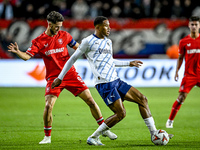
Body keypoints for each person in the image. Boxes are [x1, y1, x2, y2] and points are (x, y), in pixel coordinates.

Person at [51, 16, 173, 146]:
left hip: (116, 80)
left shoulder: (108, 42)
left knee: (142, 99)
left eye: (109, 25)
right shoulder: (88, 41)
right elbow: (72, 59)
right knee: (121, 114)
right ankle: (93, 137)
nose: (109, 28)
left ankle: (154, 133)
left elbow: (110, 61)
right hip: (104, 84)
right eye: (106, 25)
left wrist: (128, 63)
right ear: (97, 27)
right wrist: (60, 77)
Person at [7, 11, 117, 144]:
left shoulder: (64, 35)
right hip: (54, 78)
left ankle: (103, 129)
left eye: (60, 26)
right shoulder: (39, 41)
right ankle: (47, 137)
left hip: (70, 74)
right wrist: (18, 52)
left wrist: (91, 52)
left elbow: (78, 48)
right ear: (49, 24)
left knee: (90, 101)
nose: (59, 29)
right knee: (48, 106)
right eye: (56, 26)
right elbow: (26, 56)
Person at [166, 16, 200, 128]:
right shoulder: (184, 41)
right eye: (192, 24)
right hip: (189, 75)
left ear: (199, 26)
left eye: (196, 24)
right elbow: (180, 58)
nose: (194, 26)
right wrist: (176, 71)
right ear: (189, 25)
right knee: (181, 97)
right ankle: (170, 120)